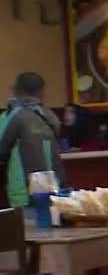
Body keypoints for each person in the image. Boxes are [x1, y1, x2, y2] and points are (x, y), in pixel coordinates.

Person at [0, 72, 66, 207]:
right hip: (52, 186)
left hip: (23, 189)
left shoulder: (13, 115)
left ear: (16, 90)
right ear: (42, 91)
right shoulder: (51, 117)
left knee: (26, 227)